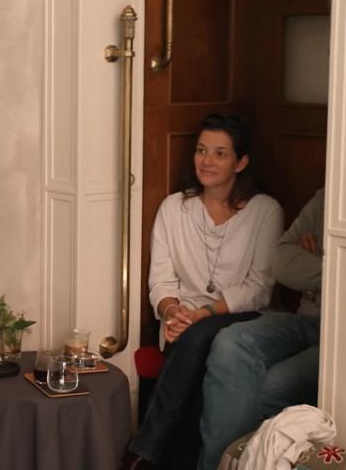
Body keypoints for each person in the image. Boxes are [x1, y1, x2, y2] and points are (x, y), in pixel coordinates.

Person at [123, 114, 284, 469]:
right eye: (201, 150)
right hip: (183, 322)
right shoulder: (174, 208)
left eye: (220, 153)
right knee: (194, 346)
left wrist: (203, 314)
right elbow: (161, 281)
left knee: (198, 338)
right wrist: (172, 312)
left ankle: (145, 451)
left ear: (241, 162)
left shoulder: (265, 210)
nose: (206, 161)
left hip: (241, 319)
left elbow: (258, 289)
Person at [197, 188, 324, 470]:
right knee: (230, 341)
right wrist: (334, 268)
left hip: (345, 334)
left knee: (265, 389)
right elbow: (281, 262)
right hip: (304, 318)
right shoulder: (326, 197)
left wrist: (315, 265)